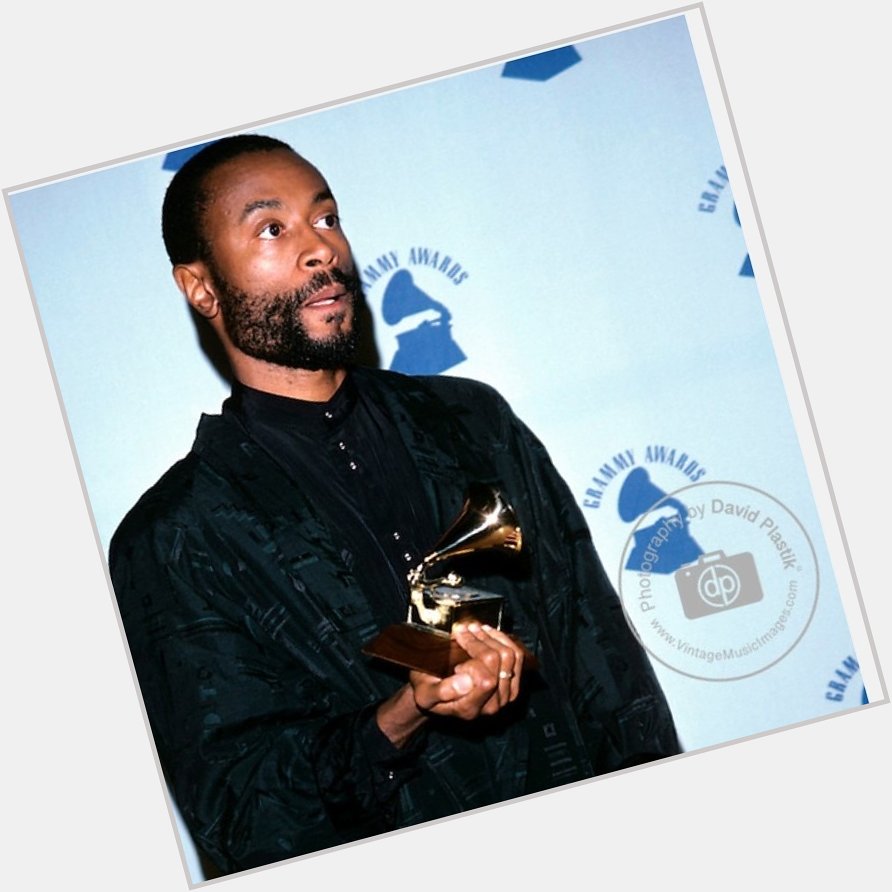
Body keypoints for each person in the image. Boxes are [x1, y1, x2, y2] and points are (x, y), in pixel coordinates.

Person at [109, 133, 682, 877]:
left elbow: (600, 656)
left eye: (328, 218)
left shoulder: (474, 424)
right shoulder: (175, 538)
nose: (321, 250)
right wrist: (400, 716)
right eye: (272, 229)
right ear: (202, 287)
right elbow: (238, 809)